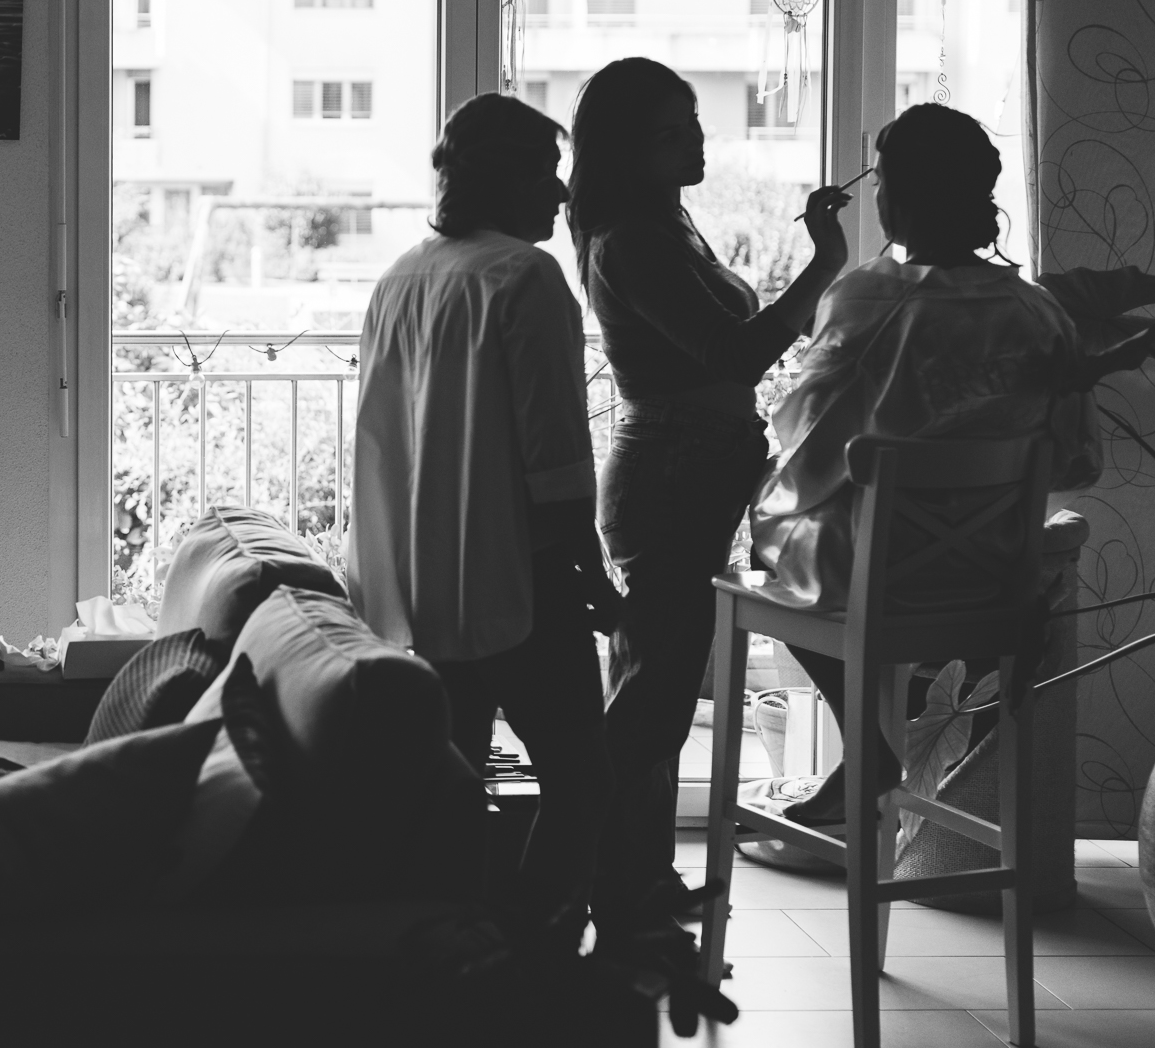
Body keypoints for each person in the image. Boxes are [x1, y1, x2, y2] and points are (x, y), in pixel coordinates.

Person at [750, 103, 1111, 825]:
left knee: (766, 541)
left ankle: (871, 737)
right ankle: (910, 718)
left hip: (878, 573)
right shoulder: (1037, 311)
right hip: (992, 574)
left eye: (881, 179)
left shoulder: (866, 297)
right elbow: (1078, 461)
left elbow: (811, 444)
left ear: (901, 196)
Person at [571, 57, 852, 936]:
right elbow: (734, 353)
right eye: (671, 132)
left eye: (694, 123)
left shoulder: (668, 224)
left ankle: (637, 885)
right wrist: (827, 262)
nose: (696, 141)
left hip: (698, 468)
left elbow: (736, 345)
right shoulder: (630, 241)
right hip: (669, 476)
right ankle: (591, 882)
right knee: (653, 702)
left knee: (657, 690)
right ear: (627, 150)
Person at [347, 93, 621, 940]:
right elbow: (555, 452)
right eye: (546, 172)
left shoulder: (403, 275)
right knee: (582, 776)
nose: (562, 192)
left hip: (423, 577)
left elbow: (385, 439)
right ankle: (536, 943)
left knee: (454, 779)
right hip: (515, 570)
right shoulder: (524, 276)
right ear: (507, 179)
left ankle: (457, 945)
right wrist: (592, 576)